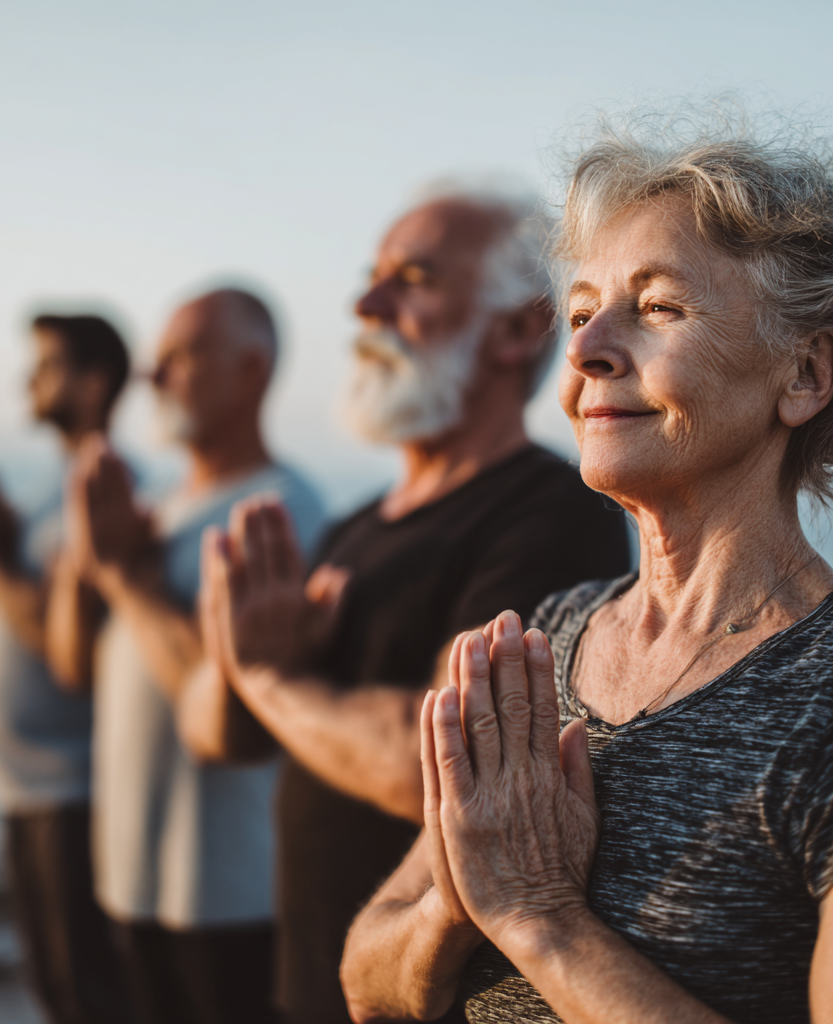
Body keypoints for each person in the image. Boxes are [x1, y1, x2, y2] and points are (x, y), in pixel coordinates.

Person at [339, 109, 833, 1024]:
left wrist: (541, 920)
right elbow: (366, 982)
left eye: (658, 308)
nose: (582, 351)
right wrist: (454, 907)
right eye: (580, 312)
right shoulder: (548, 635)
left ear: (807, 373)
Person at [194, 187, 632, 1024]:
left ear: (516, 329)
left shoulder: (554, 513)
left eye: (414, 278)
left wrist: (268, 673)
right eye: (372, 276)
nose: (367, 303)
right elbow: (222, 735)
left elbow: (432, 770)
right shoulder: (359, 524)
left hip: (429, 998)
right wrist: (239, 651)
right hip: (308, 985)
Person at [46, 288, 325, 1024]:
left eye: (181, 354)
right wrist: (87, 560)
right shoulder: (157, 510)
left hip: (232, 895)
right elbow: (74, 669)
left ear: (251, 369)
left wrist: (126, 580)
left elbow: (231, 695)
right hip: (128, 880)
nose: (153, 375)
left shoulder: (282, 510)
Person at [0, 313, 136, 1024]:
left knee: (86, 996)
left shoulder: (106, 489)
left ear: (93, 384)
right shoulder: (42, 493)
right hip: (21, 788)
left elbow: (70, 654)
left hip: (72, 788)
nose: (27, 381)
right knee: (52, 990)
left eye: (47, 366)